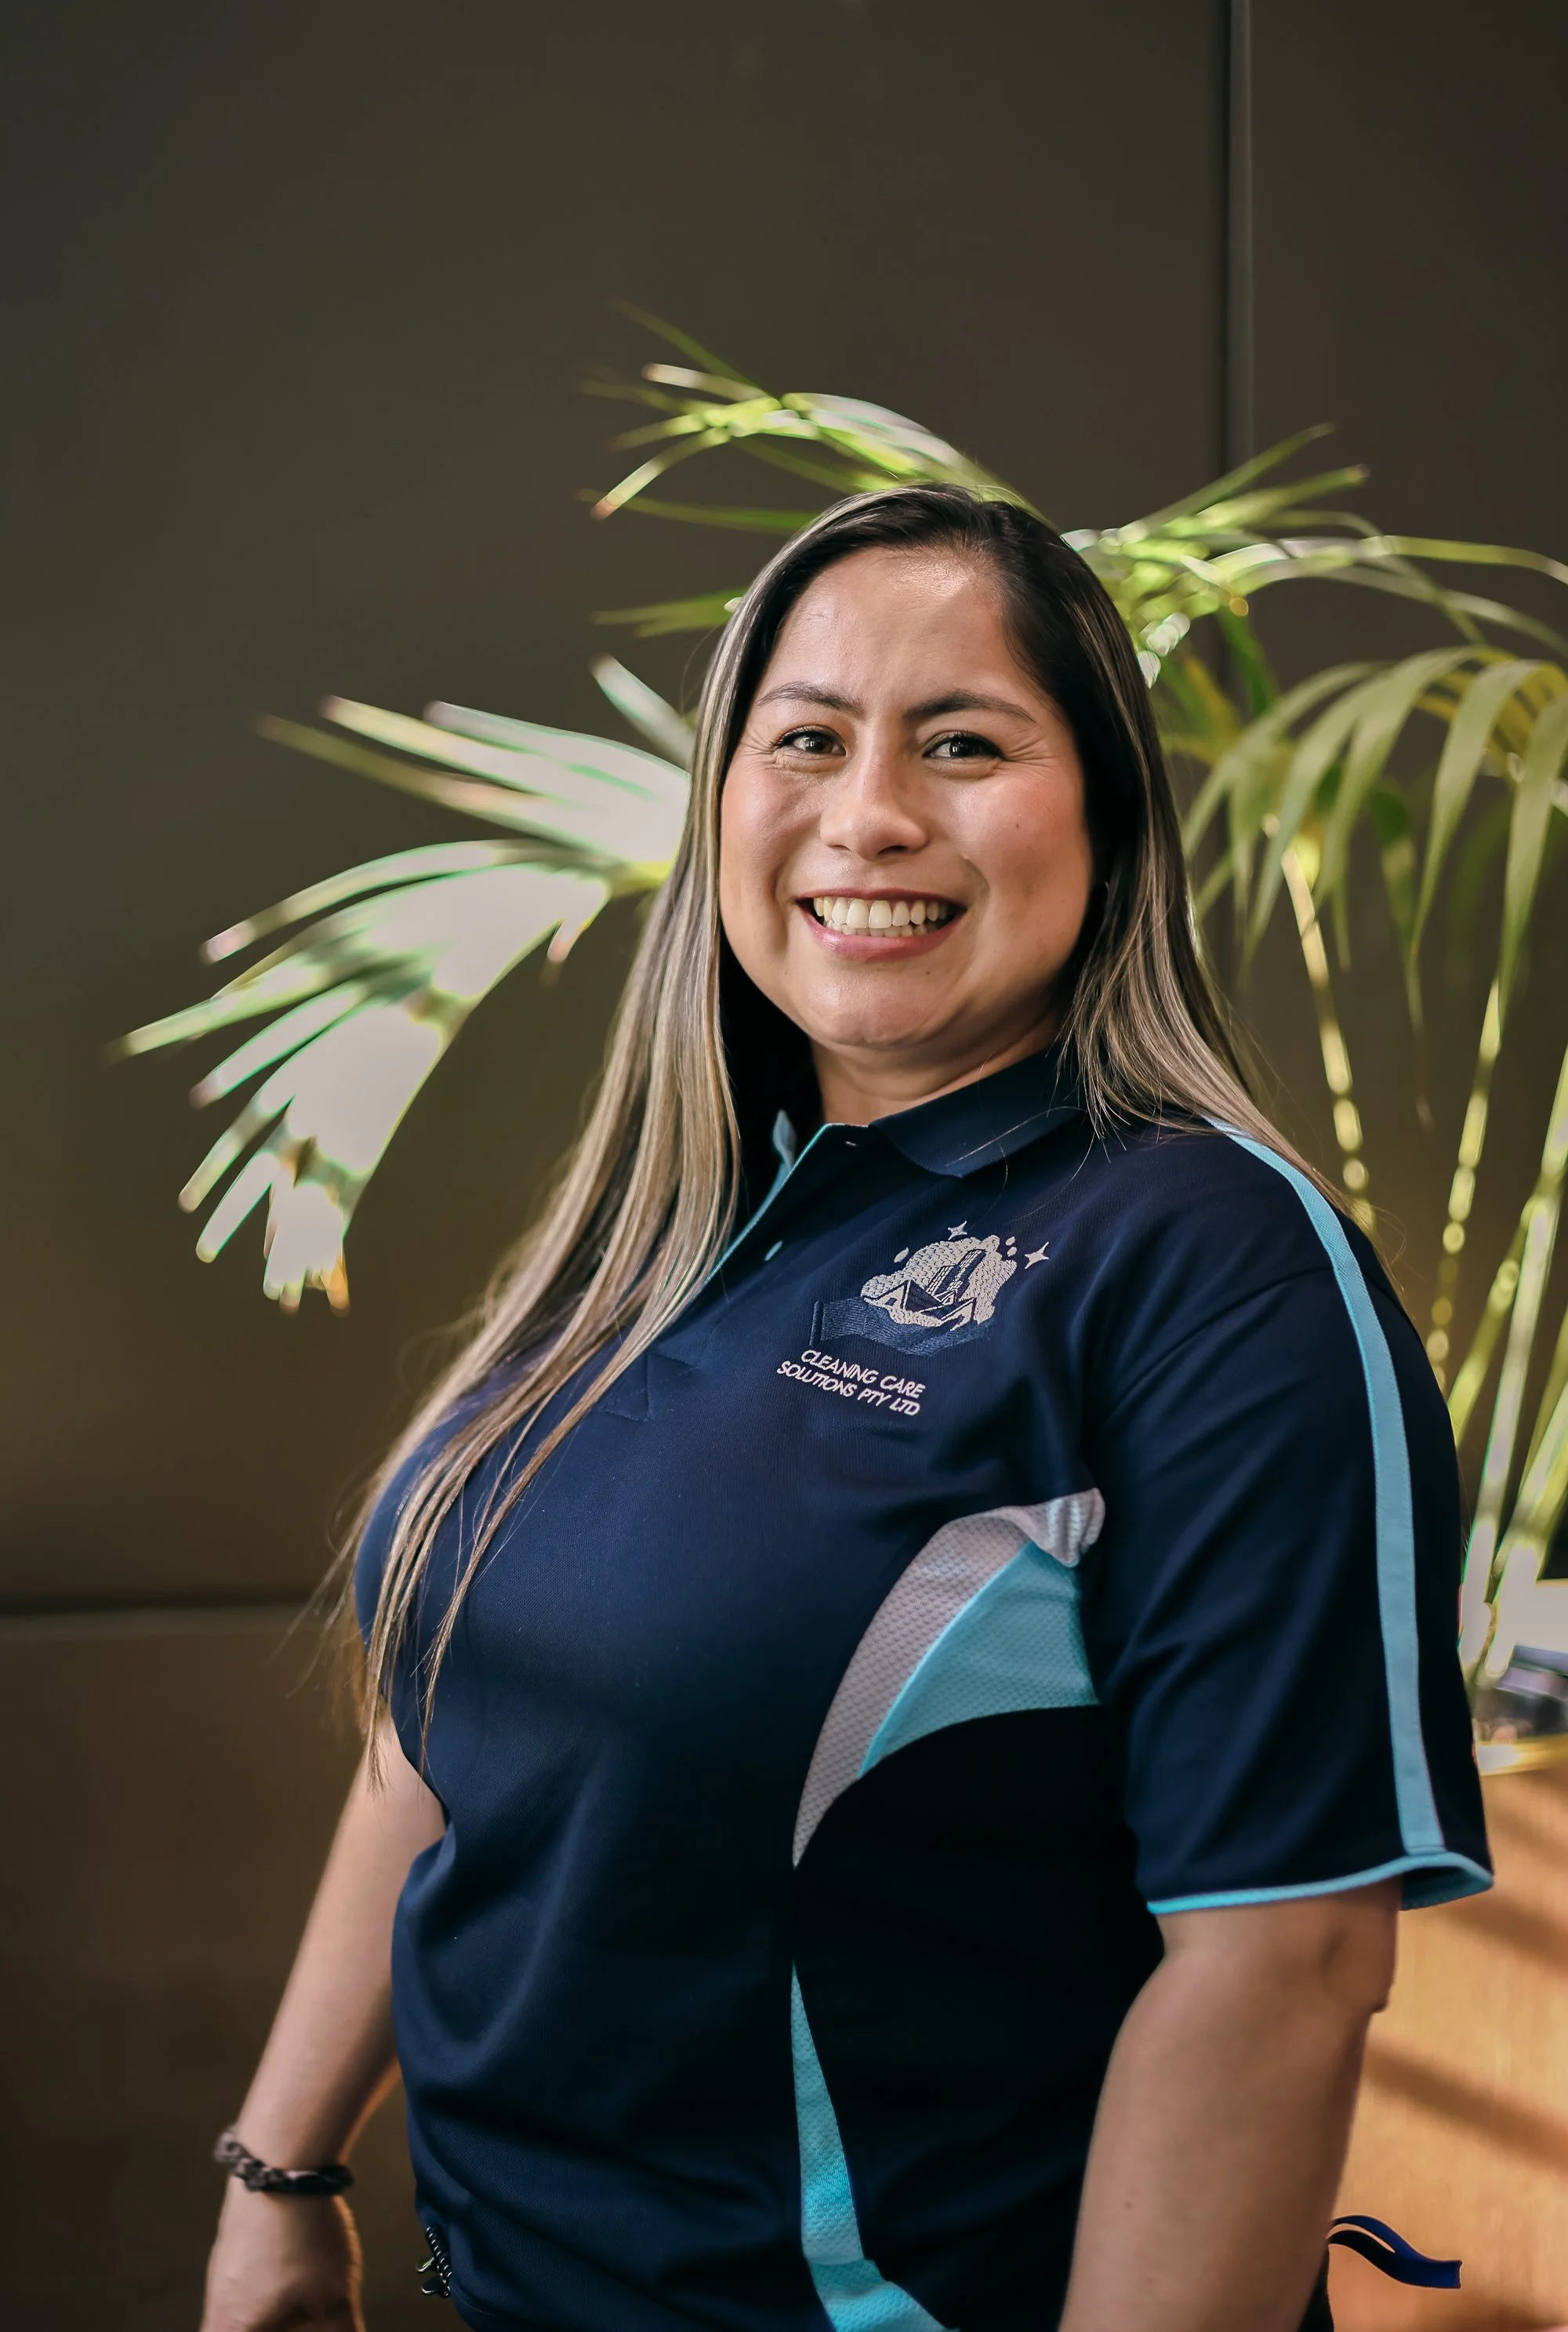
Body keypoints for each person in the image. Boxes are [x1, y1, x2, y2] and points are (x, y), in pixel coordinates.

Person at [198, 485, 1490, 2332]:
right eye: (803, 738)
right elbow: (451, 1723)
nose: (869, 812)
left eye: (963, 743)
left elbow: (1280, 1965)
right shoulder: (679, 1219)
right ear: (724, 804)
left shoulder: (1213, 1264)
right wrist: (282, 2170)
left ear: (1108, 822)